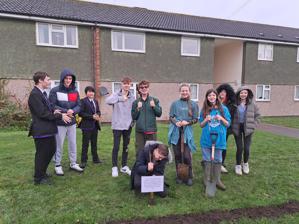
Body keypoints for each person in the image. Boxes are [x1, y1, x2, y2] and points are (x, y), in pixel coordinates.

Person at [28, 71, 71, 185]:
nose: (49, 82)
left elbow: (47, 109)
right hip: (41, 130)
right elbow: (42, 113)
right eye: (47, 79)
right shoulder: (35, 95)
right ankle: (38, 178)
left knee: (50, 151)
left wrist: (54, 110)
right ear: (40, 81)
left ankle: (42, 172)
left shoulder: (43, 93)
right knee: (42, 153)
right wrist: (60, 115)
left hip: (48, 129)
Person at [49, 68, 83, 175]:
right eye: (66, 78)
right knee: (59, 144)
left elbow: (79, 105)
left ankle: (73, 163)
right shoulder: (55, 90)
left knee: (73, 143)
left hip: (72, 122)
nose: (68, 80)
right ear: (62, 79)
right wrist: (65, 111)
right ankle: (57, 165)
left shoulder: (75, 91)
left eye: (70, 78)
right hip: (60, 122)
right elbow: (52, 105)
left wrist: (73, 110)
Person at [199, 89, 231, 195]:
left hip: (219, 139)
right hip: (207, 139)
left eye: (213, 95)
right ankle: (206, 179)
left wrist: (221, 118)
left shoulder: (223, 109)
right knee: (207, 159)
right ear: (207, 97)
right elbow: (201, 125)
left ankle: (217, 180)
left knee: (218, 159)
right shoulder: (204, 109)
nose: (211, 97)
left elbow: (228, 124)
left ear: (216, 96)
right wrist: (206, 119)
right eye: (209, 95)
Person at [168, 83, 198, 186]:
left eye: (186, 90)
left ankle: (189, 176)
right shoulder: (174, 104)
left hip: (187, 132)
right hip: (176, 131)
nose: (184, 92)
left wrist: (188, 123)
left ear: (189, 92)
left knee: (186, 156)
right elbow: (171, 116)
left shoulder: (193, 104)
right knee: (177, 155)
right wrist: (176, 122)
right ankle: (180, 175)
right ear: (180, 92)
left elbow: (195, 119)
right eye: (183, 90)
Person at [105, 77, 135, 177]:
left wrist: (132, 122)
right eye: (124, 83)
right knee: (116, 147)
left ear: (130, 85)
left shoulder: (132, 97)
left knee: (125, 147)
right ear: (121, 84)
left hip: (128, 126)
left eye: (128, 84)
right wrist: (121, 98)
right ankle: (114, 167)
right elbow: (107, 101)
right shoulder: (116, 94)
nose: (126, 85)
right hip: (117, 126)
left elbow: (134, 111)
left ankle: (124, 166)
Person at [232, 86, 261, 175]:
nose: (243, 94)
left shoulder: (252, 104)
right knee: (240, 148)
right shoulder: (235, 104)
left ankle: (245, 164)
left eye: (245, 93)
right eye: (241, 93)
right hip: (237, 128)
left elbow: (258, 116)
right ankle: (237, 165)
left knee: (247, 148)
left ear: (248, 94)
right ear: (238, 94)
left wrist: (253, 125)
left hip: (248, 128)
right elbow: (230, 115)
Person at [131, 80, 162, 158]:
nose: (144, 88)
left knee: (152, 151)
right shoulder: (135, 102)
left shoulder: (155, 100)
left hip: (151, 130)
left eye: (146, 87)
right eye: (141, 87)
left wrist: (154, 106)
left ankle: (151, 168)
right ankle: (140, 168)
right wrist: (138, 108)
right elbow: (134, 117)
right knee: (139, 151)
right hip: (140, 132)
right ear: (139, 89)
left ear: (148, 88)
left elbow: (159, 114)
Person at [78, 86, 102, 169]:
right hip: (86, 126)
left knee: (94, 143)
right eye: (89, 91)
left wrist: (98, 115)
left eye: (92, 91)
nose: (91, 93)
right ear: (86, 93)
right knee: (85, 144)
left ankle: (95, 159)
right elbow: (81, 113)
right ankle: (83, 161)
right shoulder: (83, 101)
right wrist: (92, 116)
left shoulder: (96, 101)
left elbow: (98, 111)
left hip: (95, 126)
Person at [216, 83, 236, 173]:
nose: (222, 93)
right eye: (221, 91)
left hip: (225, 128)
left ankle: (221, 163)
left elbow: (230, 118)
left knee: (222, 145)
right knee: (214, 144)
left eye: (224, 92)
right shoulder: (216, 101)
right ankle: (213, 161)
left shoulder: (231, 104)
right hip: (215, 127)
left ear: (228, 93)